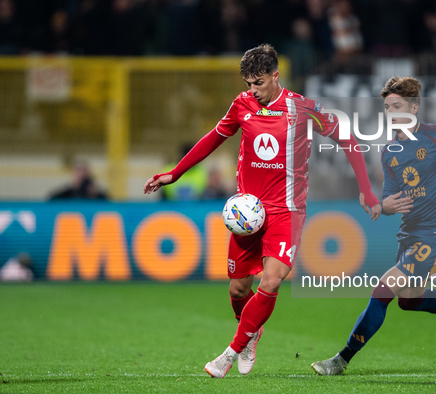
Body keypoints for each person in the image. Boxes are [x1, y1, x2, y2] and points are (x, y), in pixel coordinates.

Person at [143, 44, 381, 378]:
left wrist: (367, 190)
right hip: (248, 214)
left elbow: (347, 137)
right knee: (238, 289)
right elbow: (214, 137)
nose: (252, 90)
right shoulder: (242, 105)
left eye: (258, 83)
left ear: (275, 75)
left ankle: (230, 352)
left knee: (271, 280)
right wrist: (175, 173)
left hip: (287, 211)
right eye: (248, 84)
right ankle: (252, 332)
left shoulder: (302, 108)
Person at [311, 76, 436, 376]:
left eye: (398, 106)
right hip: (409, 236)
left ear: (415, 107)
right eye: (387, 107)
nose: (392, 112)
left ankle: (341, 360)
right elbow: (388, 201)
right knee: (409, 301)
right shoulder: (389, 153)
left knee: (382, 290)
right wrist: (382, 207)